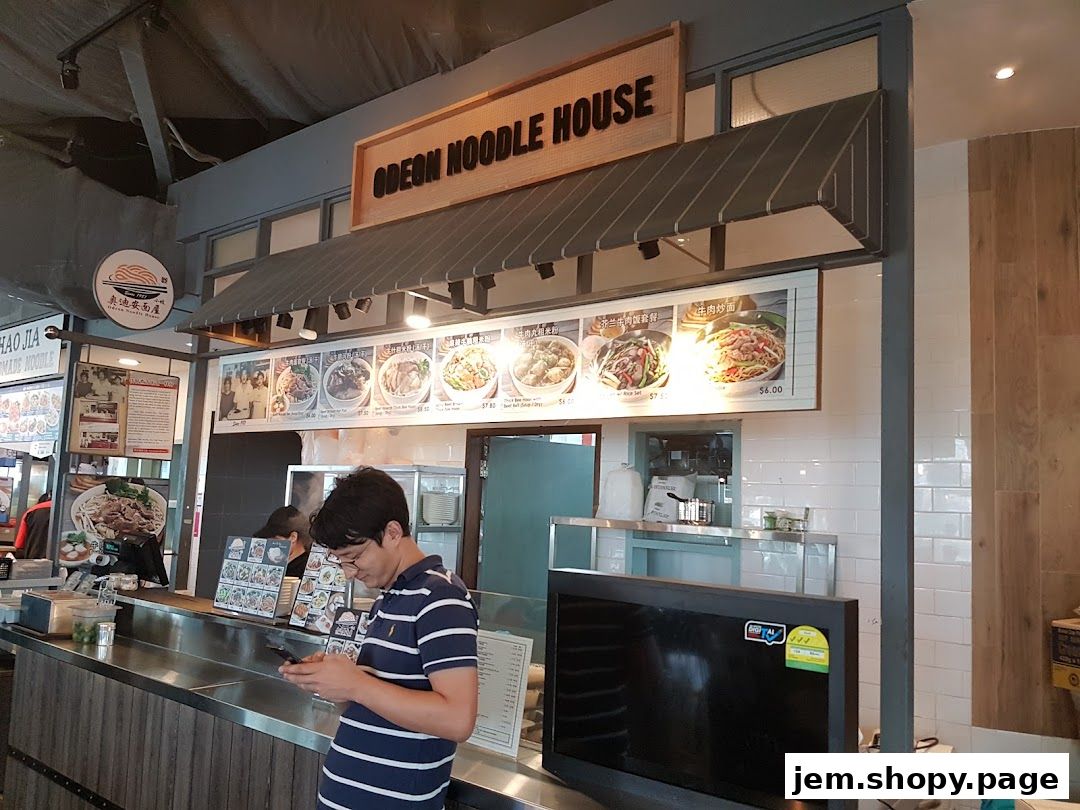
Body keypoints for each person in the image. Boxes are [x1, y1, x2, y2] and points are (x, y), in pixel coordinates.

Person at [280, 467, 478, 810]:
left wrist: (356, 685)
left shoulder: (440, 598)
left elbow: (458, 719)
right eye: (342, 562)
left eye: (354, 558)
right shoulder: (390, 597)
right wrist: (335, 680)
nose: (350, 573)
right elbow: (382, 699)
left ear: (392, 532)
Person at [253, 505, 312, 578]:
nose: (271, 546)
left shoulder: (307, 569)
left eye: (276, 540)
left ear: (293, 537)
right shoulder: (280, 565)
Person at [14, 492, 51, 560]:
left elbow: (19, 544)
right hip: (66, 560)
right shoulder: (66, 510)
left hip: (34, 559)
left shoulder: (31, 511)